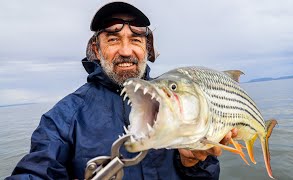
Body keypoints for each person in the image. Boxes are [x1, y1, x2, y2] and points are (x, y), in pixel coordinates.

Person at [6, 2, 238, 179]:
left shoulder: (177, 99)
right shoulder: (64, 117)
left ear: (147, 48)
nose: (126, 51)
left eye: (136, 39)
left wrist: (194, 164)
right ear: (96, 50)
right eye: (114, 39)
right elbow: (35, 170)